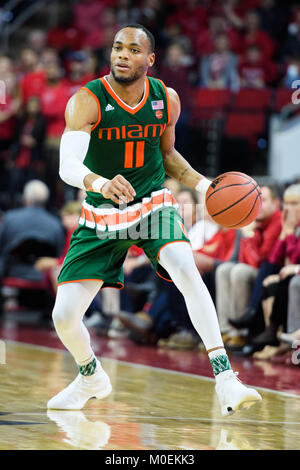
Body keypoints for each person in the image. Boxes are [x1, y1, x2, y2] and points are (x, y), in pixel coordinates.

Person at [47, 24, 261, 416]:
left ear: (150, 59)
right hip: (102, 213)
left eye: (132, 49)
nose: (122, 55)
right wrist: (98, 181)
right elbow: (67, 166)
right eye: (116, 47)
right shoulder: (87, 100)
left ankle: (226, 378)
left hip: (151, 204)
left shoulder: (166, 98)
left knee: (184, 266)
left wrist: (203, 186)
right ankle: (90, 376)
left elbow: (168, 156)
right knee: (63, 316)